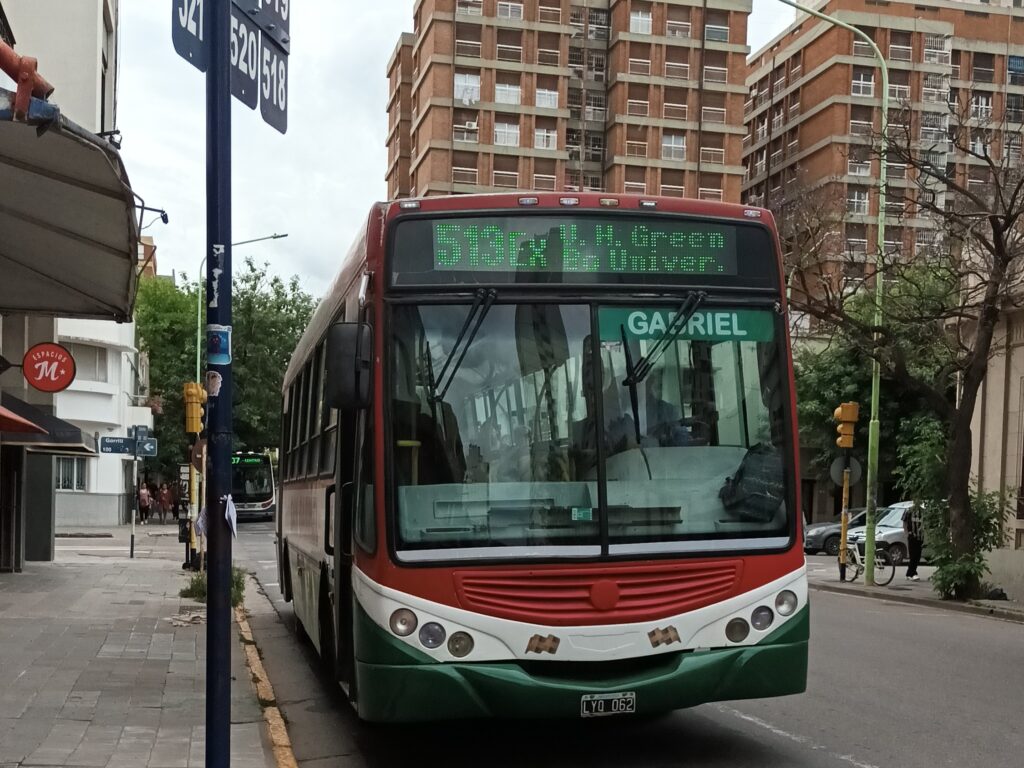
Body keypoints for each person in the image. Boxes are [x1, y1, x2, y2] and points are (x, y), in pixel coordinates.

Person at [903, 501, 925, 580]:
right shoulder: (909, 510)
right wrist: (907, 533)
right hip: (912, 536)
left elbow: (925, 523)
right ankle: (912, 573)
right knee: (913, 555)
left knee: (918, 556)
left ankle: (910, 573)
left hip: (920, 536)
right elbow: (904, 522)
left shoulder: (923, 511)